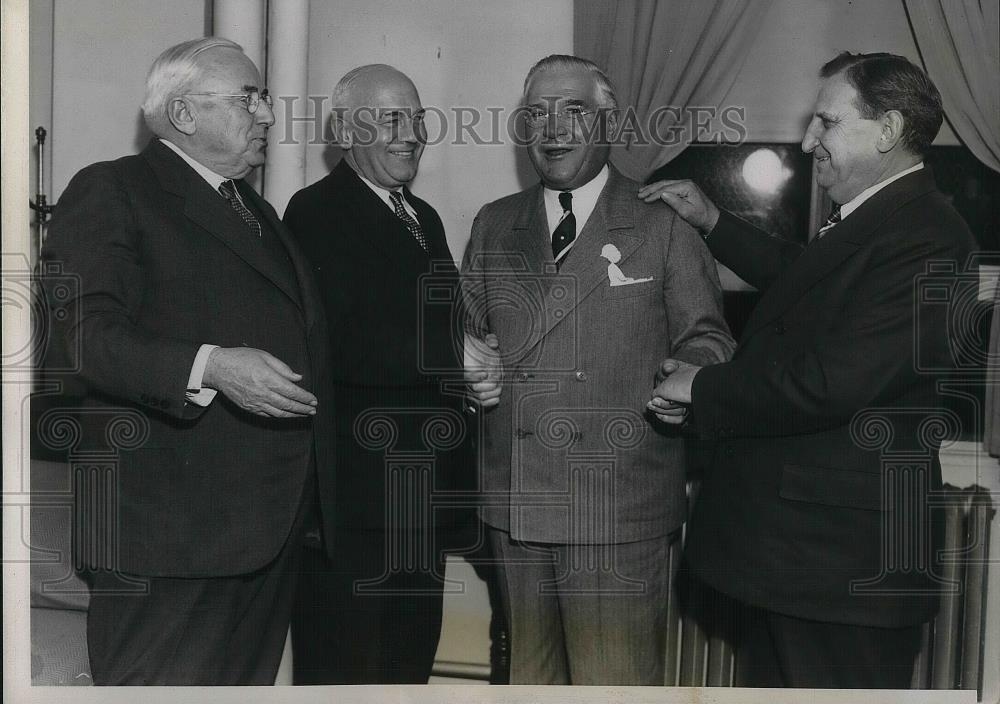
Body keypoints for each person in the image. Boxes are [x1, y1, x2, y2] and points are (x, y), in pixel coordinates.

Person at [642, 52, 977, 688]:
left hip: (842, 576)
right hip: (812, 568)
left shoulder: (930, 237)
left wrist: (702, 385)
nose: (806, 141)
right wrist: (712, 220)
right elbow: (811, 280)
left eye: (826, 122)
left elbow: (834, 381)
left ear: (886, 131)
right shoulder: (887, 220)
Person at [39, 37, 335, 685]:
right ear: (183, 113)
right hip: (165, 539)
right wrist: (209, 366)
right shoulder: (112, 189)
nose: (266, 115)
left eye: (264, 99)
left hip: (262, 535)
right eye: (247, 99)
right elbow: (81, 337)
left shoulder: (253, 210)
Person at [461, 54, 734, 685]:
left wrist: (687, 378)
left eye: (573, 109)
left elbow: (709, 338)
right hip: (518, 506)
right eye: (537, 112)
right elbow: (465, 337)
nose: (552, 127)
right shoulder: (494, 222)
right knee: (530, 685)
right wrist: (468, 373)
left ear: (610, 121)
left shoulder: (663, 224)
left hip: (617, 509)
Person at [283, 64, 469, 684]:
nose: (410, 133)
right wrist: (454, 357)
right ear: (343, 129)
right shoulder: (314, 212)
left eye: (417, 118)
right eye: (391, 117)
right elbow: (335, 343)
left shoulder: (424, 217)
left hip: (422, 501)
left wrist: (477, 365)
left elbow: (435, 332)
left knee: (408, 672)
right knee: (346, 677)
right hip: (356, 507)